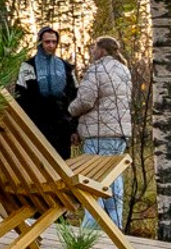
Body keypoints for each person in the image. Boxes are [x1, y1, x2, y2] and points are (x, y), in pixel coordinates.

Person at [71, 35, 134, 227]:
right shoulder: (124, 70)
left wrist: (70, 109)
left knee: (94, 180)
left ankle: (91, 227)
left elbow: (85, 100)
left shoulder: (96, 70)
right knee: (114, 180)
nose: (91, 51)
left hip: (99, 133)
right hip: (120, 133)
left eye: (94, 48)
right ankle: (115, 225)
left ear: (102, 51)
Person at [15, 25, 77, 154]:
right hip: (37, 124)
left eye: (54, 42)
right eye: (47, 41)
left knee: (63, 163)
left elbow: (75, 96)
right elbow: (20, 96)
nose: (50, 45)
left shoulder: (66, 67)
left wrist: (74, 127)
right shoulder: (27, 66)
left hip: (62, 126)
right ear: (40, 42)